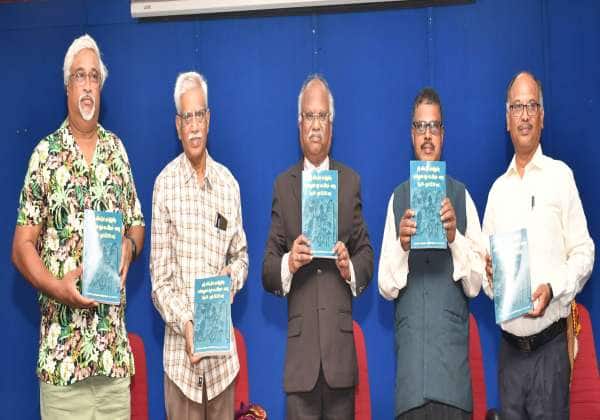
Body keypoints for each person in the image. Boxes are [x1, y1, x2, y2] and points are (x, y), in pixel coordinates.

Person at [11, 34, 145, 420]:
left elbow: (136, 225)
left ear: (101, 87)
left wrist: (129, 247)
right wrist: (56, 287)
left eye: (94, 77)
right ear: (67, 86)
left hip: (112, 362)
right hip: (62, 363)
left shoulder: (117, 152)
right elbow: (21, 246)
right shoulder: (45, 155)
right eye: (80, 76)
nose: (87, 85)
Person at [482, 71, 594, 420]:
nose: (525, 115)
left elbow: (584, 252)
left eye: (532, 105)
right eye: (517, 107)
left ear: (542, 116)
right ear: (507, 119)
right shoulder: (497, 192)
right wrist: (490, 275)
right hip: (509, 355)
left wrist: (553, 288)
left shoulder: (561, 177)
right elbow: (487, 277)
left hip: (551, 352)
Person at [262, 74, 374, 420]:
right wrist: (289, 262)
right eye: (309, 116)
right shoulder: (283, 186)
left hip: (340, 360)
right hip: (301, 363)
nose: (315, 125)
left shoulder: (350, 182)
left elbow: (366, 255)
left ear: (331, 125)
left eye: (322, 116)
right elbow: (267, 268)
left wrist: (348, 267)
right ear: (299, 124)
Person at [378, 87, 484, 419]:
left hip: (453, 384)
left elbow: (477, 284)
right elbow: (385, 286)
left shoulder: (462, 197)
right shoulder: (397, 199)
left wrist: (454, 238)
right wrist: (402, 246)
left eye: (434, 126)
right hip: (410, 386)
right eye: (421, 127)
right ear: (412, 135)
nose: (427, 135)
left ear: (443, 134)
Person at [150, 71, 249, 419]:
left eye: (199, 116)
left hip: (222, 367)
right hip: (181, 367)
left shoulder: (228, 185)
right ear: (178, 125)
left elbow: (241, 256)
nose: (193, 126)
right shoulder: (164, 186)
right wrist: (187, 324)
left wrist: (232, 277)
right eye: (186, 117)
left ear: (209, 120)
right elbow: (159, 284)